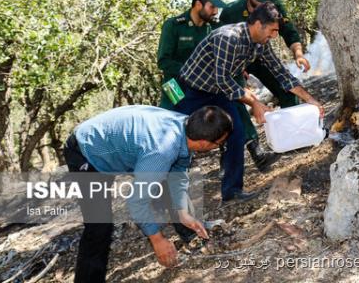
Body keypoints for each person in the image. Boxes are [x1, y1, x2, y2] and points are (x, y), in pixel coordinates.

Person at [63, 105, 233, 283]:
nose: (219, 147)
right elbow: (136, 201)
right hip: (86, 150)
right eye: (220, 144)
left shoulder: (187, 126)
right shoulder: (162, 149)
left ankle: (188, 232)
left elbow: (178, 173)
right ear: (205, 143)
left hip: (118, 146)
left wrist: (183, 213)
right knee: (99, 226)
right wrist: (157, 239)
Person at [174, 2, 323, 202]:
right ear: (259, 24)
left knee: (236, 132)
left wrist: (311, 100)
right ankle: (167, 192)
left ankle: (232, 191)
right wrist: (255, 103)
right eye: (272, 30)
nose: (274, 35)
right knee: (181, 139)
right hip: (192, 90)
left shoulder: (261, 44)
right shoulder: (228, 38)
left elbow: (280, 73)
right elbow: (223, 79)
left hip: (218, 91)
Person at [157, 0, 277, 173]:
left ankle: (255, 150)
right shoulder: (173, 25)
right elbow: (164, 62)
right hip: (176, 83)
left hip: (211, 83)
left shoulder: (214, 27)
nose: (215, 11)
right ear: (198, 4)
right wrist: (192, 72)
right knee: (168, 121)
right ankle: (166, 165)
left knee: (236, 102)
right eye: (212, 6)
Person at [219, 0, 311, 109]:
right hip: (236, 61)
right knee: (236, 100)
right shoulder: (231, 11)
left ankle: (292, 126)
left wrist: (298, 54)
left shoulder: (274, 7)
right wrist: (239, 67)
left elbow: (288, 31)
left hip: (261, 56)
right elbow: (222, 46)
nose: (264, 3)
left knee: (287, 92)